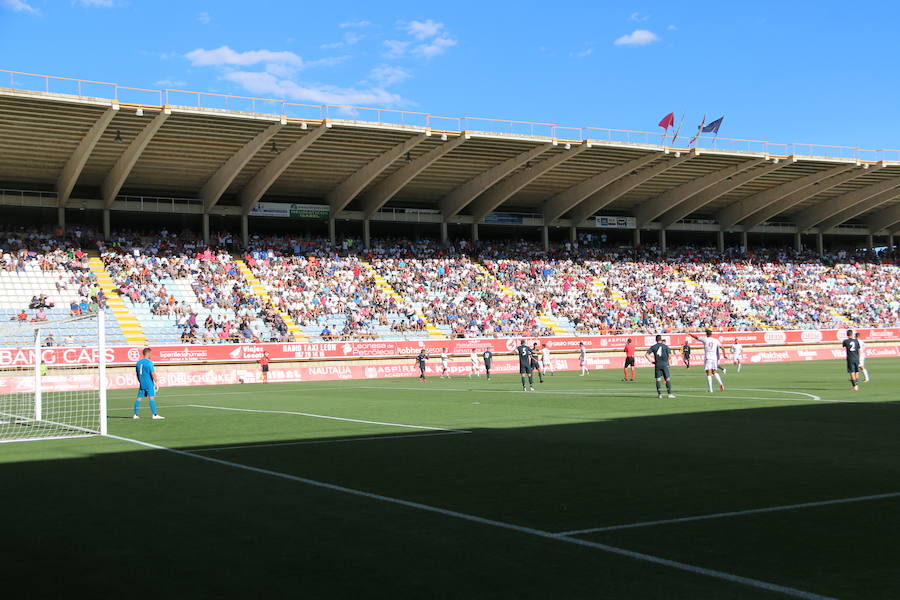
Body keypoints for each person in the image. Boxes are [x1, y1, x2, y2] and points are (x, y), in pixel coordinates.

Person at [134, 347, 164, 420]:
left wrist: (140, 381)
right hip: (149, 383)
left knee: (139, 398)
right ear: (149, 353)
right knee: (151, 397)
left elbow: (137, 374)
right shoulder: (149, 363)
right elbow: (153, 373)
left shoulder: (138, 363)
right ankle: (154, 414)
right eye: (151, 353)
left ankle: (135, 414)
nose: (151, 355)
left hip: (142, 383)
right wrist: (156, 382)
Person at [646, 335, 675, 399]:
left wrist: (651, 361)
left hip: (657, 364)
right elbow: (670, 356)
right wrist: (668, 362)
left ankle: (659, 394)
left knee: (658, 379)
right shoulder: (665, 346)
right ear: (661, 339)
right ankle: (669, 394)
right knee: (667, 378)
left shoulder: (653, 347)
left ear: (656, 340)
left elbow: (646, 354)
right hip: (665, 364)